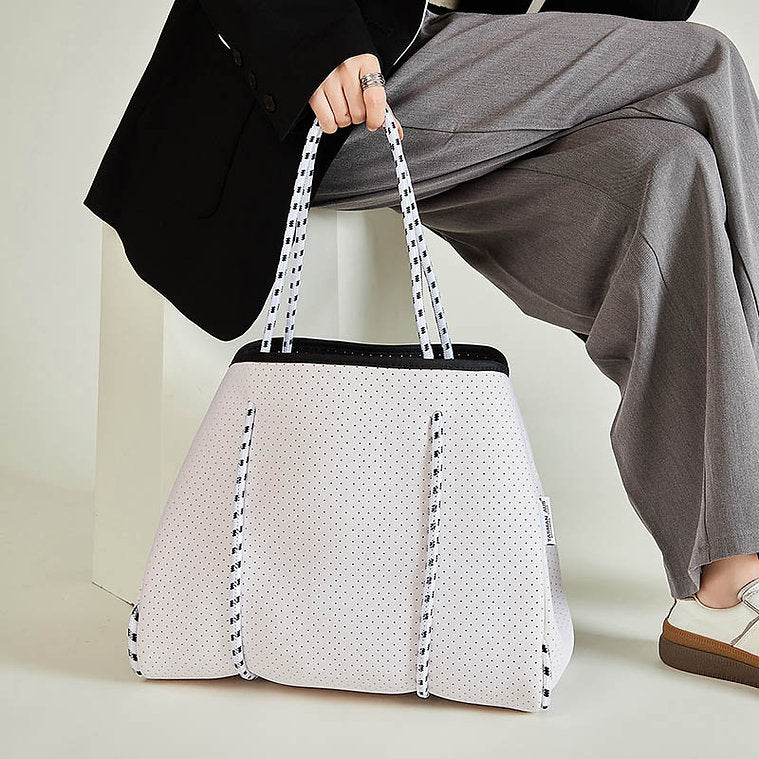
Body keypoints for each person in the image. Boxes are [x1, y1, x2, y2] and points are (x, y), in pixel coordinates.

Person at [307, 2, 759, 688]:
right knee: (705, 60)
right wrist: (320, 40)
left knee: (672, 165)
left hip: (480, 88)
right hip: (336, 83)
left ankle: (726, 577)